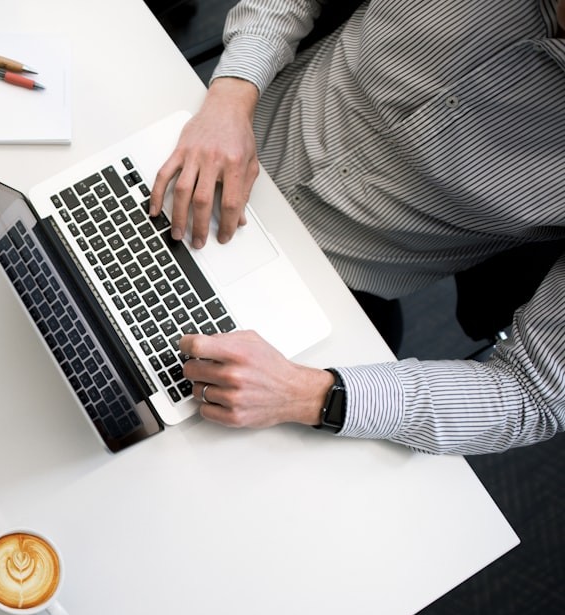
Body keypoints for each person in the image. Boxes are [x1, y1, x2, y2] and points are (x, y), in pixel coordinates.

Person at [150, 0, 565, 454]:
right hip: (208, 135)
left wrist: (308, 394)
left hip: (325, 291)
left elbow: (533, 393)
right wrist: (232, 95)